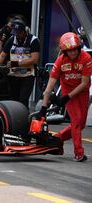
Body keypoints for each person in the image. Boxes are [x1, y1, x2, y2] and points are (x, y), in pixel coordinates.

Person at [38, 32, 91, 162]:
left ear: (78, 47)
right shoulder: (60, 60)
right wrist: (44, 108)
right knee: (77, 120)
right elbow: (50, 86)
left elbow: (84, 84)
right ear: (64, 51)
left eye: (74, 49)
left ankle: (58, 138)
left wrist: (66, 98)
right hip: (67, 90)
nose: (72, 53)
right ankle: (79, 153)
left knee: (81, 124)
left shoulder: (86, 58)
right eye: (69, 51)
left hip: (82, 92)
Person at [0, 19, 40, 108]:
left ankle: (24, 119)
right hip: (13, 74)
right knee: (13, 100)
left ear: (24, 32)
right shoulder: (11, 39)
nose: (17, 35)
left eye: (19, 32)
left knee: (23, 99)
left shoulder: (33, 40)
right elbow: (2, 55)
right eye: (15, 32)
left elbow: (34, 59)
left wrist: (16, 64)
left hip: (27, 74)